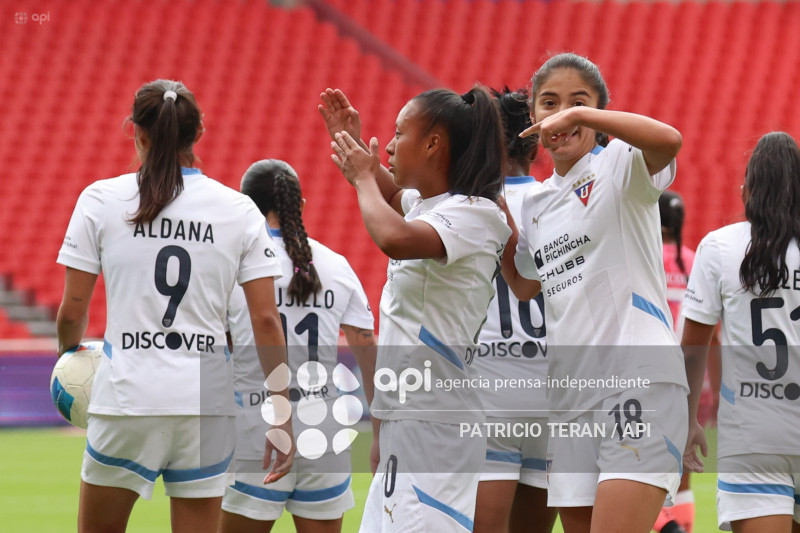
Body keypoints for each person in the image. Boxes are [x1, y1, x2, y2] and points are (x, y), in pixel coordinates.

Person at [55, 80, 292, 533]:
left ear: (136, 132)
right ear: (199, 133)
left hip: (126, 399)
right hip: (205, 405)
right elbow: (265, 319)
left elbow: (72, 310)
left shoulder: (101, 199)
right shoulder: (239, 209)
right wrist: (281, 415)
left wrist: (70, 361)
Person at [500, 53, 688, 533]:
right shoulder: (537, 204)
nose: (562, 115)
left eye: (577, 103)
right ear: (533, 119)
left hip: (636, 381)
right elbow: (525, 285)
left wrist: (583, 117)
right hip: (570, 399)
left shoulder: (620, 165)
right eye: (550, 104)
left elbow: (670, 139)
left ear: (601, 111)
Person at [320, 85, 511, 532]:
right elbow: (389, 201)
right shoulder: (432, 205)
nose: (387, 144)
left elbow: (395, 238)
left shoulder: (476, 212)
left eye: (398, 132)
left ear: (432, 144)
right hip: (411, 413)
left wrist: (365, 176)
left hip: (435, 419)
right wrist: (353, 149)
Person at [220, 159, 378, 533]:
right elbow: (367, 347)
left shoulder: (232, 266)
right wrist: (382, 430)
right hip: (324, 425)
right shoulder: (336, 265)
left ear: (247, 206)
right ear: (300, 205)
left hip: (256, 424)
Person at [682, 131, 800, 533]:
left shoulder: (719, 247)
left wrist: (687, 418)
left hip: (753, 433)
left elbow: (693, 348)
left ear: (747, 187)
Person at [472, 87, 556, 533]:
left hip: (490, 390)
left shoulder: (469, 206)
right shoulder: (559, 202)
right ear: (536, 142)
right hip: (554, 393)